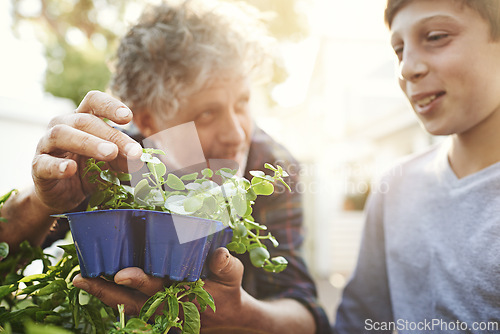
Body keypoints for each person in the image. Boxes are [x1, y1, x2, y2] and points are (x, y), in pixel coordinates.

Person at [0, 1, 330, 333]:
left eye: (242, 103)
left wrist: (241, 316)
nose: (237, 134)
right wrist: (42, 202)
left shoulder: (271, 168)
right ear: (147, 120)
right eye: (207, 114)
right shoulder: (103, 161)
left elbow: (306, 315)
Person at [333, 0, 500, 333]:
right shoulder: (395, 187)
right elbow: (359, 320)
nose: (406, 68)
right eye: (398, 50)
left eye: (436, 36)